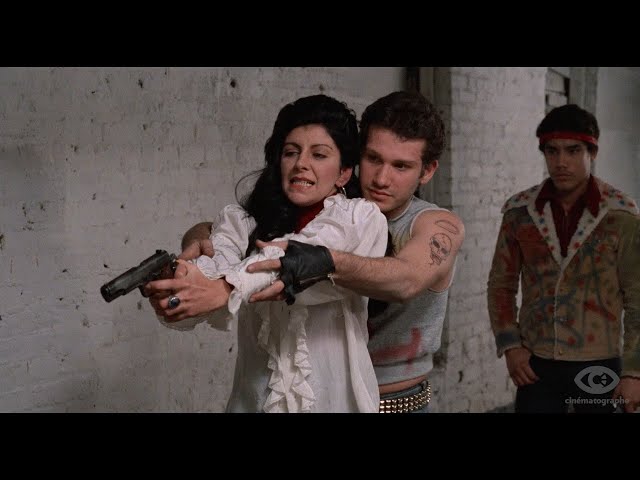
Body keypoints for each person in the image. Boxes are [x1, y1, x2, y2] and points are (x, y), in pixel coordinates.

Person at [179, 91, 465, 413]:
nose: (382, 179)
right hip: (316, 396)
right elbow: (241, 228)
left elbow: (406, 280)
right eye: (373, 159)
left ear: (427, 171)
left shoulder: (435, 225)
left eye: (401, 166)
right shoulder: (330, 207)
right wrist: (199, 237)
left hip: (397, 401)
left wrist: (324, 261)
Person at [145, 94, 389, 413]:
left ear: (343, 172)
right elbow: (212, 274)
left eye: (319, 154)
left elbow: (304, 256)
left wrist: (227, 288)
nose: (301, 163)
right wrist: (179, 287)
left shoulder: (359, 219)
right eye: (291, 152)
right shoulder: (242, 222)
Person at [487, 104, 640, 413]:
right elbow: (501, 285)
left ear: (592, 152)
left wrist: (634, 372)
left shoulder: (620, 214)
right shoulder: (520, 212)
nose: (561, 162)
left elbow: (637, 295)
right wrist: (510, 345)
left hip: (599, 361)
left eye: (573, 151)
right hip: (536, 362)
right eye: (552, 151)